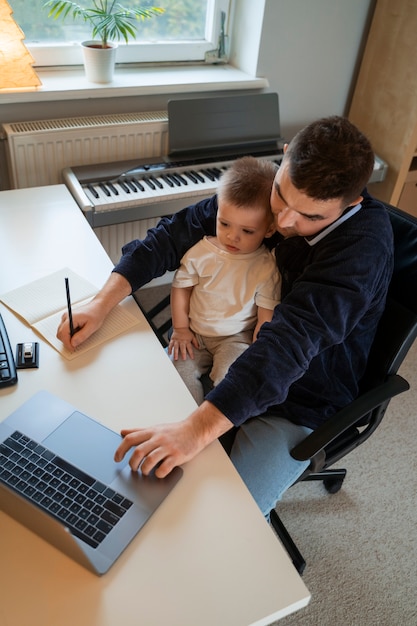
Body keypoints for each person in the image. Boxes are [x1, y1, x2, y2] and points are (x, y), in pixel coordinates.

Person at [56, 116, 394, 520]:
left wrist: (194, 431)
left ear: (350, 205)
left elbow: (288, 347)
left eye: (309, 217)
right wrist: (101, 302)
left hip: (303, 396)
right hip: (232, 345)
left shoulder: (362, 251)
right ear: (284, 158)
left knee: (227, 521)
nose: (283, 223)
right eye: (282, 197)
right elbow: (173, 234)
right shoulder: (266, 190)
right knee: (116, 428)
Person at [168, 156, 281, 404]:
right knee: (176, 374)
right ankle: (188, 419)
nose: (232, 236)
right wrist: (180, 328)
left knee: (231, 380)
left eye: (247, 231)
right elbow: (180, 289)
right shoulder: (201, 252)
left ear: (269, 230)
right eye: (225, 223)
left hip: (236, 337)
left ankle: (212, 426)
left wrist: (259, 349)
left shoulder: (266, 266)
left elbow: (265, 316)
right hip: (194, 333)